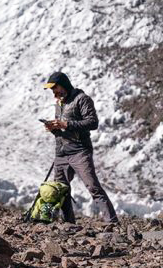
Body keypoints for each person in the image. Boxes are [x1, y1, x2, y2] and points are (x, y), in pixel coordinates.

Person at [42, 71, 118, 224]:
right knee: (61, 189)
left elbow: (92, 123)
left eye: (55, 88)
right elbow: (64, 129)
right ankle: (68, 223)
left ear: (63, 85)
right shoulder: (59, 103)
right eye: (52, 90)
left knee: (92, 186)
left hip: (80, 151)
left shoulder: (82, 99)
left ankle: (112, 223)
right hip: (62, 153)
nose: (54, 92)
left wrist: (66, 124)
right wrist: (54, 129)